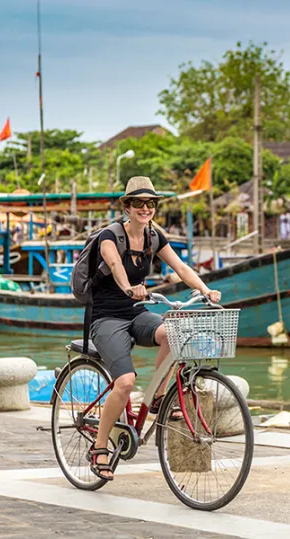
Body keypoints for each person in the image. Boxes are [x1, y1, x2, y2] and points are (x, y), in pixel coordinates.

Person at [87, 176, 221, 481]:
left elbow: (182, 268)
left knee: (174, 333)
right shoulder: (111, 236)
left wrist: (206, 290)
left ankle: (159, 397)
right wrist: (128, 287)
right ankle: (98, 447)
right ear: (127, 206)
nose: (145, 208)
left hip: (136, 313)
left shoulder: (153, 236)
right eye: (138, 203)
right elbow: (116, 265)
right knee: (124, 382)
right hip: (106, 318)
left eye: (151, 203)